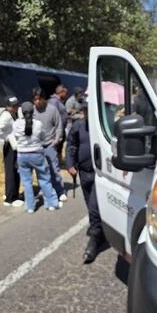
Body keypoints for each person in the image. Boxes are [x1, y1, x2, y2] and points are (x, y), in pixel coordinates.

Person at [66, 101, 106, 263]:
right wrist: (69, 164)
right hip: (84, 173)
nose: (87, 113)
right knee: (90, 206)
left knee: (95, 208)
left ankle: (94, 240)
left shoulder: (104, 126)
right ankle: (100, 230)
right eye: (85, 110)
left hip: (100, 174)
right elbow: (71, 146)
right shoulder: (78, 126)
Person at [13, 102, 60, 213]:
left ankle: (30, 206)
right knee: (44, 179)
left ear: (22, 112)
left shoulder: (16, 124)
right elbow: (43, 137)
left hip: (22, 155)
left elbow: (15, 137)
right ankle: (51, 204)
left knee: (27, 182)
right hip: (37, 154)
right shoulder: (38, 124)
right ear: (33, 112)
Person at [32, 88, 67, 202]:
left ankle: (60, 191)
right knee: (40, 170)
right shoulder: (32, 111)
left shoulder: (52, 110)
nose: (37, 102)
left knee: (54, 169)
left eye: (39, 99)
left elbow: (58, 126)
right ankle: (44, 190)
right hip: (37, 146)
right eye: (35, 99)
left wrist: (57, 140)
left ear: (44, 98)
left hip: (49, 145)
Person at [0, 96, 24, 207]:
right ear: (7, 106)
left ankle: (13, 193)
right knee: (11, 171)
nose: (15, 107)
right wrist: (6, 137)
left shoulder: (14, 113)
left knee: (15, 170)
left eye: (16, 105)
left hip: (14, 146)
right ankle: (11, 198)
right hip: (10, 146)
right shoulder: (6, 116)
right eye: (13, 105)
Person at [48, 84, 69, 162]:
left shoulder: (59, 101)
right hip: (56, 130)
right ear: (61, 92)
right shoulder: (53, 101)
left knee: (60, 147)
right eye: (65, 93)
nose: (66, 95)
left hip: (60, 129)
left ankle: (58, 161)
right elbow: (52, 116)